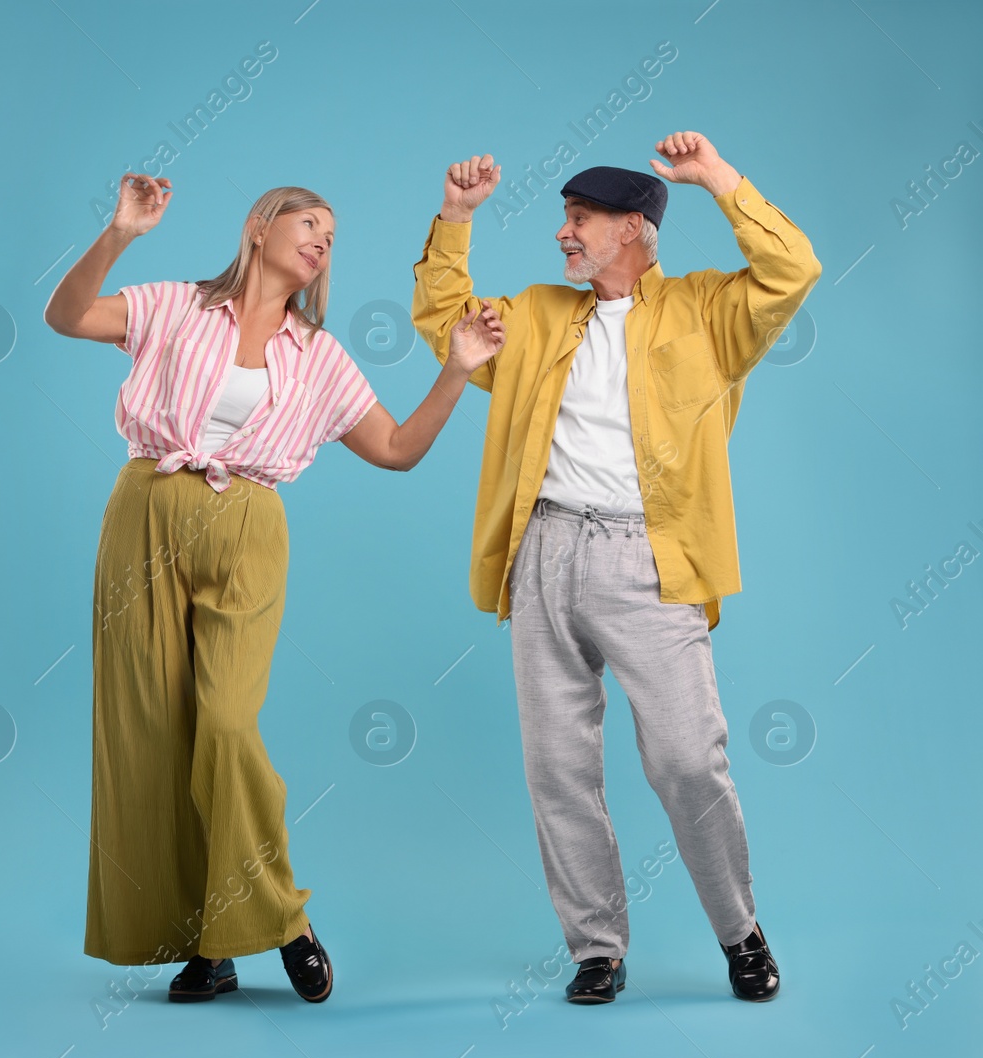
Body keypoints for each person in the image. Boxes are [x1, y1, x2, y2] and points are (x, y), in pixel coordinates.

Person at [46, 173, 505, 1004]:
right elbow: (67, 315)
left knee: (224, 725)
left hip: (248, 528)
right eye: (308, 221)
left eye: (333, 232)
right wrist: (121, 233)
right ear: (260, 227)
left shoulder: (320, 357)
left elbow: (398, 448)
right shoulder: (174, 306)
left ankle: (281, 916)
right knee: (151, 732)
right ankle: (210, 944)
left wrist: (457, 367)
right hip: (144, 514)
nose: (323, 238)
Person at [412, 132, 821, 1004]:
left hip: (652, 558)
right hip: (545, 551)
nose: (564, 233)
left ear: (634, 229)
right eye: (566, 218)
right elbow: (446, 325)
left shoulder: (709, 313)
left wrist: (716, 177)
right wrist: (456, 218)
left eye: (581, 219)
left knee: (686, 758)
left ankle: (740, 931)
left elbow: (793, 267)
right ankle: (596, 946)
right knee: (557, 766)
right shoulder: (534, 314)